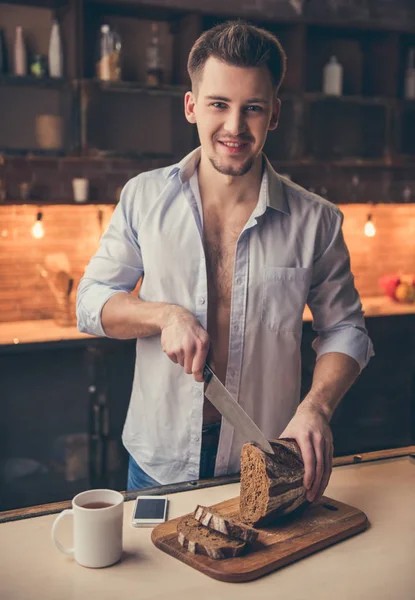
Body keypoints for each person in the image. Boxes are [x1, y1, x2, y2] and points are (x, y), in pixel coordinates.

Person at [77, 21, 374, 501]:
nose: (234, 127)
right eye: (219, 104)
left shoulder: (317, 221)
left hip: (265, 464)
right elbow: (90, 303)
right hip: (158, 463)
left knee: (264, 575)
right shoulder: (143, 198)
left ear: (273, 114)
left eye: (252, 108)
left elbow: (346, 330)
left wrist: (317, 406)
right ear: (192, 106)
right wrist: (164, 315)